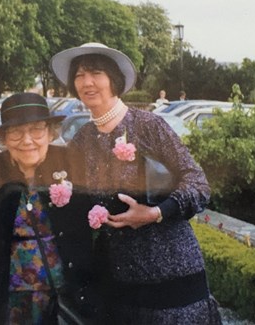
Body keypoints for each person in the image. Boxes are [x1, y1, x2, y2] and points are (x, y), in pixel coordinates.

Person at [50, 42, 221, 324]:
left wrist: (155, 213)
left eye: (95, 73)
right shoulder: (81, 139)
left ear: (113, 79)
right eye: (79, 75)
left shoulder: (148, 125)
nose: (87, 82)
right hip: (119, 285)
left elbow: (198, 184)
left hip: (172, 277)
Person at [0, 93, 94, 325]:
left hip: (64, 295)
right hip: (11, 296)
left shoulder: (72, 161)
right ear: (3, 138)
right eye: (15, 132)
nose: (27, 140)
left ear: (50, 132)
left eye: (36, 129)